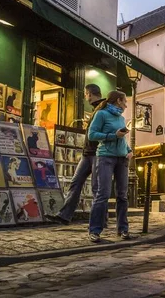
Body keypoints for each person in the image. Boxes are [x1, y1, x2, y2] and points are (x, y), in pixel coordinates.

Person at [46, 84, 106, 226]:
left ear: (89, 94)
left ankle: (102, 220)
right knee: (76, 182)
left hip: (97, 153)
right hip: (87, 153)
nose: (86, 97)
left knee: (97, 187)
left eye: (86, 94)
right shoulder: (96, 109)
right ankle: (65, 215)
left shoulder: (102, 108)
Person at [87, 90, 133, 242]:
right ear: (119, 100)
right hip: (105, 157)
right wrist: (113, 136)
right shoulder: (101, 114)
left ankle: (123, 230)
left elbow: (122, 139)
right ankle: (94, 231)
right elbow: (92, 135)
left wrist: (128, 150)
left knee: (122, 196)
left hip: (122, 159)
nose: (126, 105)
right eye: (125, 101)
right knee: (103, 194)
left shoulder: (120, 118)